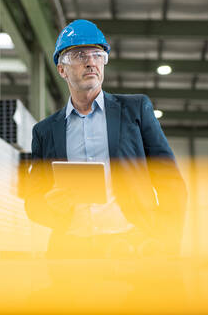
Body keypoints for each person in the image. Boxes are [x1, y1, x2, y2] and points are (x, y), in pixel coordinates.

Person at [25, 19, 187, 258]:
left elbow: (170, 182)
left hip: (132, 249)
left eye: (97, 54)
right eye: (80, 55)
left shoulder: (136, 110)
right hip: (72, 256)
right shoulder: (45, 131)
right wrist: (49, 205)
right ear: (62, 70)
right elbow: (33, 203)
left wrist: (167, 243)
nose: (90, 61)